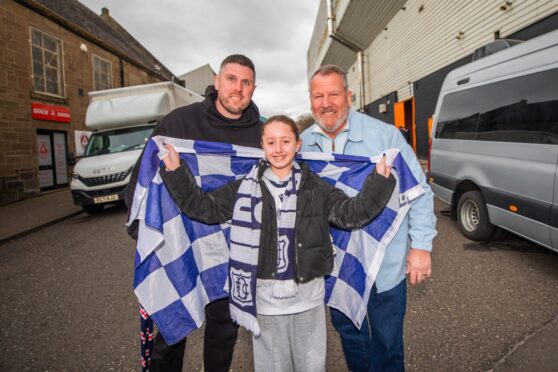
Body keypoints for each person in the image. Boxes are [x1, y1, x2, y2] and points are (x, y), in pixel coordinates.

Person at [159, 115, 396, 372]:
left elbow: (352, 214)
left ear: (297, 144)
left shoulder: (317, 188)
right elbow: (203, 208)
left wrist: (379, 181)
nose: (278, 148)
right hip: (265, 300)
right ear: (262, 146)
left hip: (308, 298)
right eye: (271, 142)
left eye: (285, 141)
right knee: (272, 366)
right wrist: (175, 171)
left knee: (311, 365)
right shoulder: (244, 188)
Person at [125, 54, 262, 372]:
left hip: (234, 253)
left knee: (224, 332)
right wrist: (144, 236)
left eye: (246, 82)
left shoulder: (263, 135)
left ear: (254, 88)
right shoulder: (178, 123)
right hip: (180, 245)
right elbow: (142, 180)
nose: (237, 89)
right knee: (171, 329)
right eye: (231, 79)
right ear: (217, 82)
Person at [301, 65, 437, 372]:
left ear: (349, 97)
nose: (327, 103)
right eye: (318, 96)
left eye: (334, 94)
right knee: (352, 339)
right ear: (310, 101)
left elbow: (419, 192)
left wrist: (421, 246)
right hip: (336, 269)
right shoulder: (299, 146)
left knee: (387, 343)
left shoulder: (384, 136)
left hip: (384, 266)